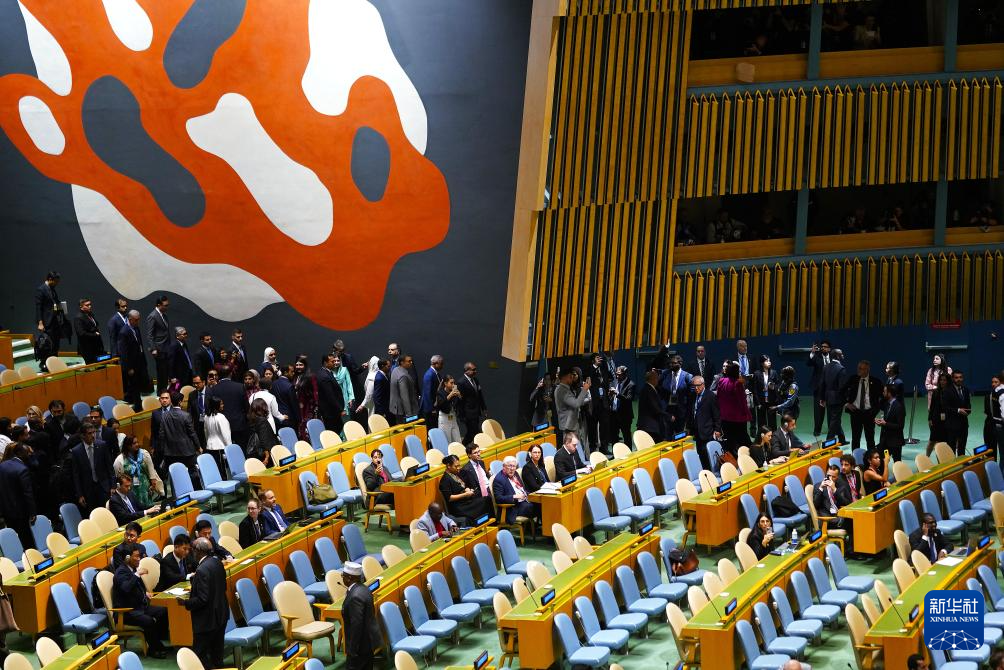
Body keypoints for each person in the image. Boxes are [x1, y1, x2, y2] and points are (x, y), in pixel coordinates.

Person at [180, 537, 229, 669]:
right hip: (221, 615)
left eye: (193, 550)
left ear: (197, 551)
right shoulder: (217, 562)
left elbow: (202, 599)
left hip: (207, 620)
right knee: (217, 654)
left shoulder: (202, 570)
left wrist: (186, 603)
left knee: (200, 655)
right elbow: (222, 587)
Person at [115, 543, 169, 658]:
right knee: (148, 621)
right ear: (127, 558)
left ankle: (158, 642)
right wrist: (137, 574)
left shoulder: (133, 569)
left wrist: (145, 593)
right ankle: (153, 650)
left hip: (140, 607)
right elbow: (125, 588)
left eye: (139, 556)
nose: (139, 559)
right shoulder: (121, 572)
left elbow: (137, 587)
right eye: (136, 556)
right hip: (127, 611)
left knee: (163, 611)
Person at [342, 561, 382, 670]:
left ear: (349, 578)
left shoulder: (354, 597)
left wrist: (352, 650)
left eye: (343, 576)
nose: (342, 578)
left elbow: (356, 625)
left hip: (360, 647)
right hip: (369, 642)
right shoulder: (364, 589)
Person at [159, 391, 201, 486]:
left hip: (170, 453)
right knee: (193, 473)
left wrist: (163, 450)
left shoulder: (164, 415)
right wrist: (198, 446)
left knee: (175, 475)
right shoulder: (186, 415)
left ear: (171, 401)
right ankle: (196, 492)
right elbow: (192, 433)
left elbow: (161, 435)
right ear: (180, 402)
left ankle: (179, 493)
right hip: (187, 452)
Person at [71, 422, 115, 512]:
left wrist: (113, 486)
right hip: (88, 490)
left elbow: (110, 467)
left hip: (104, 487)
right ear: (83, 436)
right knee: (94, 513)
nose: (93, 435)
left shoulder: (102, 445)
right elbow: (76, 475)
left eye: (94, 432)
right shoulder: (76, 451)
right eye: (89, 433)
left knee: (108, 512)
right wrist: (80, 495)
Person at [0, 442, 36, 551]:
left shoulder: (2, 465)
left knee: (14, 538)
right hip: (21, 512)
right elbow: (27, 493)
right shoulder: (22, 469)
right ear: (19, 453)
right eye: (27, 452)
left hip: (6, 510)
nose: (29, 454)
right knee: (27, 541)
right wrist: (32, 512)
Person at [842, 360, 883, 451]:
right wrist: (846, 403)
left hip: (869, 414)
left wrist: (875, 410)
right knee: (855, 438)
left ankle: (871, 457)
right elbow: (841, 391)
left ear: (867, 370)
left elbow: (883, 398)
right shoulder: (853, 379)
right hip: (855, 413)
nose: (859, 370)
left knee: (870, 439)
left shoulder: (876, 382)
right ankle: (855, 457)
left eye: (861, 368)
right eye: (858, 368)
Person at [207, 368, 249, 448]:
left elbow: (211, 407)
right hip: (239, 424)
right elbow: (246, 406)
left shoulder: (213, 389)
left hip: (221, 426)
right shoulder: (240, 386)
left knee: (226, 451)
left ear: (218, 375)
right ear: (231, 374)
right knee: (241, 449)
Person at [117, 310, 150, 411]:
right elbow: (123, 352)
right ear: (130, 319)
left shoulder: (136, 328)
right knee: (134, 385)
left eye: (138, 319)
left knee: (138, 384)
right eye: (136, 320)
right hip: (131, 364)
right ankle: (138, 406)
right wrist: (129, 368)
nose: (138, 322)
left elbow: (140, 345)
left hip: (139, 362)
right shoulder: (124, 332)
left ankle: (131, 399)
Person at [439, 454, 485, 525]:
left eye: (459, 465)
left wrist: (467, 489)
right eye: (456, 466)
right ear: (448, 466)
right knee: (484, 501)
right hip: (458, 507)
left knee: (485, 499)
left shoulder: (455, 474)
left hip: (466, 501)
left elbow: (462, 486)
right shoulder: (445, 480)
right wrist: (465, 494)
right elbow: (450, 498)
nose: (458, 468)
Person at [35, 271, 68, 366]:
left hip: (55, 321)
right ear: (50, 279)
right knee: (47, 343)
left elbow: (55, 302)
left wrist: (62, 309)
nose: (57, 283)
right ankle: (45, 363)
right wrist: (40, 323)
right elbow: (38, 307)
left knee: (56, 342)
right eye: (56, 281)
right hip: (46, 322)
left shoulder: (52, 289)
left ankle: (54, 362)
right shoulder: (41, 290)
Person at [689, 375, 722, 470]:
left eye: (698, 385)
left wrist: (717, 429)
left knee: (709, 455)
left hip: (708, 432)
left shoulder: (710, 396)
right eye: (694, 386)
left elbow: (716, 414)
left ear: (703, 384)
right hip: (697, 432)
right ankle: (705, 472)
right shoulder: (693, 396)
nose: (696, 388)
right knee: (701, 454)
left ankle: (712, 472)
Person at [717, 361, 751, 453]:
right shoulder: (737, 384)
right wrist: (747, 414)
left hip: (725, 417)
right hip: (737, 418)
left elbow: (719, 397)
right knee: (743, 440)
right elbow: (742, 401)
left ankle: (731, 458)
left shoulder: (721, 381)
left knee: (729, 440)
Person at [492, 456, 536, 523]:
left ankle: (541, 525)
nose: (512, 469)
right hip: (512, 508)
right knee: (534, 506)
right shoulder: (499, 479)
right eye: (510, 466)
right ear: (504, 466)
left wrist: (529, 495)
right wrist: (513, 496)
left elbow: (522, 488)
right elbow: (498, 498)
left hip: (523, 501)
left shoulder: (515, 473)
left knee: (540, 502)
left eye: (514, 466)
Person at [813, 464, 853, 535]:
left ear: (838, 477)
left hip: (841, 515)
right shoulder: (818, 486)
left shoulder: (842, 485)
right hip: (828, 519)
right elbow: (816, 505)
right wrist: (821, 488)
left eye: (833, 477)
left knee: (855, 520)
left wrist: (834, 490)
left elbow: (848, 503)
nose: (830, 478)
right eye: (828, 475)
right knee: (851, 524)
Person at [554, 368, 591, 446]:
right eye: (570, 376)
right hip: (568, 426)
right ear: (565, 377)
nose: (572, 378)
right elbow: (576, 404)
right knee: (571, 449)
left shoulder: (565, 388)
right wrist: (585, 389)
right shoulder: (562, 390)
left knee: (576, 449)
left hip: (571, 425)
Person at [584, 353, 612, 453]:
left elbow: (608, 380)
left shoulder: (603, 369)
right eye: (597, 358)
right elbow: (588, 378)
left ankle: (604, 448)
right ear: (593, 360)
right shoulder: (589, 369)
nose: (599, 359)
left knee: (604, 426)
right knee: (592, 426)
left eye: (600, 357)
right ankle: (592, 447)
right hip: (593, 403)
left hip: (604, 402)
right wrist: (595, 366)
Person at [145, 296, 172, 394]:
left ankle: (164, 391)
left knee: (166, 372)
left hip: (166, 348)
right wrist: (153, 349)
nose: (167, 307)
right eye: (165, 305)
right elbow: (150, 335)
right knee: (161, 373)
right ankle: (161, 393)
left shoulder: (164, 315)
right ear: (158, 305)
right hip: (159, 349)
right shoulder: (152, 316)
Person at [806, 341, 832, 436]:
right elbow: (808, 363)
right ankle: (817, 430)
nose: (823, 348)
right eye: (822, 346)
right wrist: (812, 352)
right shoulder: (816, 357)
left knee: (831, 411)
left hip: (830, 389)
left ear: (829, 349)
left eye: (825, 346)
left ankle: (832, 430)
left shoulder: (833, 358)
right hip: (819, 388)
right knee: (818, 411)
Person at [944, 370, 972, 456]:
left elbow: (968, 404)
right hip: (952, 425)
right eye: (956, 378)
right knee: (951, 448)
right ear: (953, 379)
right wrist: (958, 410)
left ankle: (962, 463)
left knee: (962, 447)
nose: (959, 379)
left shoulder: (966, 390)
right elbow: (945, 407)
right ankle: (953, 464)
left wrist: (968, 411)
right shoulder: (947, 391)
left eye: (960, 377)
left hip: (964, 424)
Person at [822, 349, 847, 442]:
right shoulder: (841, 369)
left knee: (835, 419)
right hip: (837, 398)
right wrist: (845, 400)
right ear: (837, 356)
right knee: (834, 420)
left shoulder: (825, 367)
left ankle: (842, 439)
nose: (843, 355)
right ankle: (829, 441)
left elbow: (822, 384)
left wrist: (822, 398)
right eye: (841, 354)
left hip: (828, 397)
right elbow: (842, 387)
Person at [459, 362, 487, 444]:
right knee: (473, 432)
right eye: (473, 370)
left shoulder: (475, 380)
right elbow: (460, 401)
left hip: (476, 412)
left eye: (475, 369)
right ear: (467, 371)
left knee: (472, 432)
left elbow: (480, 395)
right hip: (468, 413)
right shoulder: (461, 382)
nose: (475, 371)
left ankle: (466, 446)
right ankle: (465, 446)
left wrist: (484, 408)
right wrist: (462, 416)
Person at [317, 353, 346, 433]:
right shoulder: (324, 376)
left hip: (332, 412)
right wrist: (340, 410)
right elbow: (330, 396)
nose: (334, 363)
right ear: (325, 363)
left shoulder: (326, 372)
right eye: (332, 361)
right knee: (334, 432)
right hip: (331, 413)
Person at [637, 369, 668, 443]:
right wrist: (669, 416)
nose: (658, 380)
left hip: (647, 426)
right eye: (657, 378)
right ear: (653, 379)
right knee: (654, 447)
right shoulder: (649, 390)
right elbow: (655, 408)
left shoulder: (648, 388)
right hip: (650, 427)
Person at [876, 384, 905, 462]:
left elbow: (900, 426)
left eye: (884, 391)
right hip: (885, 441)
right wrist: (881, 423)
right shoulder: (887, 404)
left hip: (895, 442)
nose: (883, 393)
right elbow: (887, 421)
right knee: (883, 460)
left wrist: (885, 424)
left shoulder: (899, 407)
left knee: (897, 462)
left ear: (889, 393)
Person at [201, 396, 231, 472]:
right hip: (220, 447)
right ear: (216, 405)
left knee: (215, 469)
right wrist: (229, 447)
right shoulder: (221, 417)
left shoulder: (206, 417)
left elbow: (206, 432)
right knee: (223, 470)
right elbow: (226, 434)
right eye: (221, 404)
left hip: (210, 447)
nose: (223, 405)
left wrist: (208, 441)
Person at [752, 354, 779, 433]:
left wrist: (773, 387)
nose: (769, 362)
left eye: (769, 360)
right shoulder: (757, 374)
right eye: (767, 361)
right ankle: (762, 438)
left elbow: (778, 386)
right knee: (761, 422)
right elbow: (755, 389)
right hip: (761, 402)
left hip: (771, 401)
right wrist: (757, 403)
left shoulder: (774, 373)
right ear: (762, 363)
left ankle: (773, 438)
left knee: (772, 422)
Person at [609, 366, 635, 447]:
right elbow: (613, 398)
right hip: (614, 414)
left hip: (625, 415)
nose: (617, 376)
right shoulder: (615, 382)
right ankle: (615, 453)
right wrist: (610, 395)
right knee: (614, 436)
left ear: (625, 374)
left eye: (619, 374)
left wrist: (617, 393)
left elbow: (629, 399)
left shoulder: (631, 384)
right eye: (616, 374)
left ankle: (629, 453)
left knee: (626, 436)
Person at [246, 398, 278, 465]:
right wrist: (267, 456)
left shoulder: (252, 420)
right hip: (267, 454)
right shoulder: (262, 421)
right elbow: (265, 440)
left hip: (257, 452)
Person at [389, 353, 418, 425]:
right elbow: (404, 396)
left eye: (411, 361)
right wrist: (409, 415)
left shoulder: (395, 370)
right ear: (402, 362)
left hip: (396, 408)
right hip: (404, 411)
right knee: (406, 429)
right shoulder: (403, 376)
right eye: (409, 361)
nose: (411, 363)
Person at [927, 372, 952, 457]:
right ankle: (927, 458)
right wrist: (929, 419)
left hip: (947, 420)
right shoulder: (936, 392)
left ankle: (944, 460)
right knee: (932, 441)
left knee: (945, 442)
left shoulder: (951, 392)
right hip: (936, 420)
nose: (942, 382)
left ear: (948, 381)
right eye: (941, 380)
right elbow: (932, 407)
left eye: (944, 380)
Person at [73, 298, 104, 364]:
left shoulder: (90, 314)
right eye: (87, 305)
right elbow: (81, 333)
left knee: (101, 365)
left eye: (90, 304)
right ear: (81, 307)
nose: (90, 306)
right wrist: (95, 334)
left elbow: (95, 325)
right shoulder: (78, 318)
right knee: (92, 366)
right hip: (87, 348)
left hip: (97, 346)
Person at [434, 375, 463, 443]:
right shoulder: (440, 392)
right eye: (451, 383)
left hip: (453, 417)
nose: (453, 385)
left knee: (458, 441)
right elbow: (440, 404)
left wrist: (459, 396)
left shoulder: (455, 392)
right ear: (445, 383)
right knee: (447, 441)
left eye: (454, 383)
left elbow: (458, 404)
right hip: (444, 419)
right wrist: (450, 395)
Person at [420, 355, 444, 429]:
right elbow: (427, 394)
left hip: (435, 406)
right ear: (435, 363)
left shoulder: (436, 373)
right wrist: (432, 409)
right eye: (441, 363)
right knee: (431, 428)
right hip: (430, 409)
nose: (442, 366)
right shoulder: (429, 375)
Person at [986, 371, 1004, 460]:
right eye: (992, 382)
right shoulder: (999, 393)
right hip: (993, 426)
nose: (993, 384)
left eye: (996, 382)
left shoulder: (997, 393)